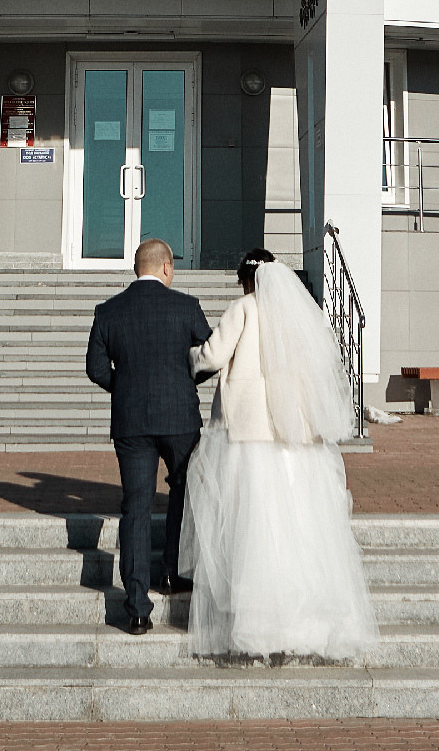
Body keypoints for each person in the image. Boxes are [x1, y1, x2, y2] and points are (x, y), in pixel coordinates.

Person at [182, 246, 379, 661]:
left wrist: (188, 356)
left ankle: (258, 622)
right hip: (293, 433)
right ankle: (305, 621)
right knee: (297, 523)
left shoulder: (244, 308)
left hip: (251, 431)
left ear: (246, 279)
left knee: (255, 521)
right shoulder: (296, 319)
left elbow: (214, 356)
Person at [84, 236, 210, 635]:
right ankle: (172, 571)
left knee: (135, 508)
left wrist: (125, 386)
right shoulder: (186, 307)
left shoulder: (108, 311)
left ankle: (137, 607)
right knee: (183, 494)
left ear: (136, 268)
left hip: (131, 421)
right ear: (167, 268)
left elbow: (95, 368)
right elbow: (209, 357)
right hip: (180, 419)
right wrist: (185, 378)